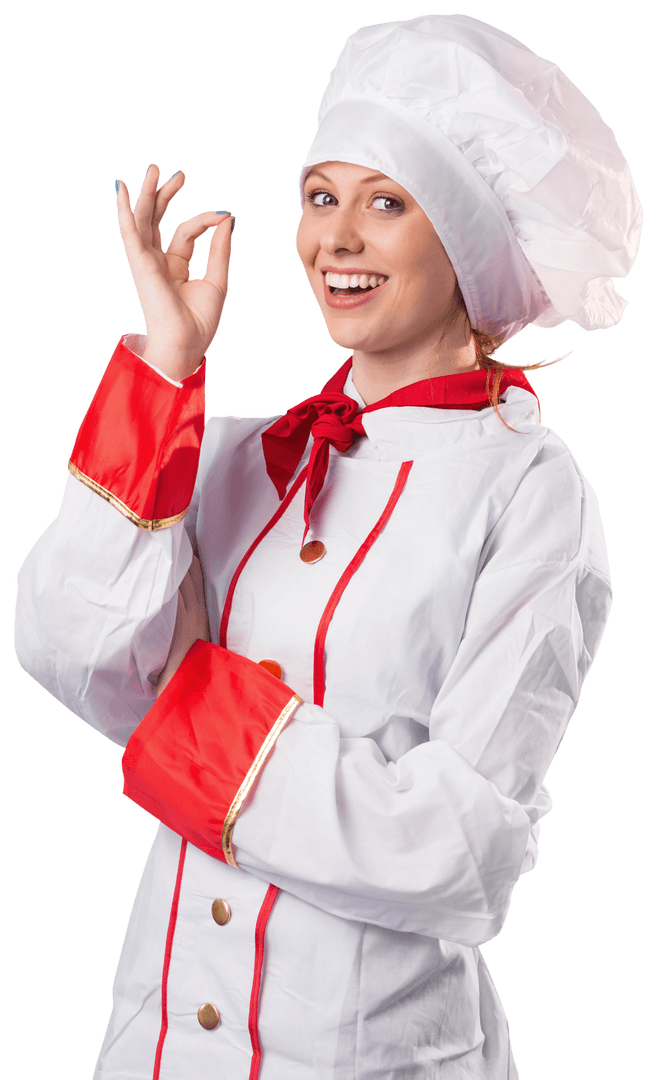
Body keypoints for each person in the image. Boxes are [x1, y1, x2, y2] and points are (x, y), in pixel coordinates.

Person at [14, 13, 641, 1080]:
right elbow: (70, 655)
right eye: (320, 197)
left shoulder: (535, 492)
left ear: (468, 242)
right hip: (155, 1047)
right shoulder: (228, 451)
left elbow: (458, 851)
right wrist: (164, 371)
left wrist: (193, 703)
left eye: (386, 203)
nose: (335, 238)